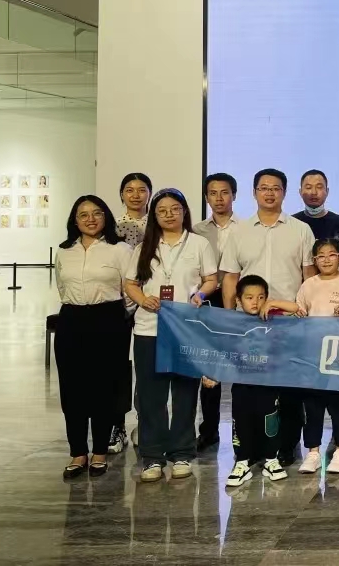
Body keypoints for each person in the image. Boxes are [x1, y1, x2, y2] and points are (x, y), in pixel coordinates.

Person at [220, 168, 316, 466]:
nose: (270, 193)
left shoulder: (301, 230)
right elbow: (230, 277)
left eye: (276, 188)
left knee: (289, 389)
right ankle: (249, 447)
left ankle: (286, 446)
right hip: (249, 324)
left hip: (288, 322)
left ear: (284, 192)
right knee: (249, 389)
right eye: (264, 188)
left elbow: (309, 277)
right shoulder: (239, 231)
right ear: (254, 193)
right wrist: (230, 318)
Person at [124, 189, 218, 483]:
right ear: (154, 215)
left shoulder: (199, 244)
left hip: (185, 329)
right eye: (162, 210)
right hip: (149, 329)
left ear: (184, 211)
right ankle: (152, 457)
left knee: (185, 393)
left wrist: (200, 295)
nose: (168, 214)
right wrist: (142, 300)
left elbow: (211, 279)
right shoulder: (144, 247)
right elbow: (130, 283)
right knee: (150, 396)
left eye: (174, 209)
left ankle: (182, 453)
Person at [264, 238, 339, 475]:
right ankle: (313, 452)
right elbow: (299, 310)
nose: (326, 260)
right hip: (312, 356)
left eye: (331, 255)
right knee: (312, 405)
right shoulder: (308, 284)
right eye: (320, 256)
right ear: (314, 260)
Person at [54, 196, 133, 480]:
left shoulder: (120, 249)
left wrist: (118, 318)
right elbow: (61, 286)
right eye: (83, 214)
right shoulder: (64, 251)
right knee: (72, 389)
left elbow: (130, 289)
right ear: (75, 221)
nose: (90, 219)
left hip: (108, 320)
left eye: (96, 213)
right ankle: (78, 452)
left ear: (106, 217)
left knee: (104, 388)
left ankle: (99, 452)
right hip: (71, 320)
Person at [226, 275, 288, 487]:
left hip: (268, 383)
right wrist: (211, 374)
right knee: (242, 421)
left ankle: (271, 459)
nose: (255, 302)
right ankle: (242, 462)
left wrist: (273, 304)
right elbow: (218, 350)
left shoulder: (272, 318)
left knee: (270, 421)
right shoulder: (232, 323)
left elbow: (297, 308)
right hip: (242, 385)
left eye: (261, 297)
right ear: (238, 300)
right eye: (249, 297)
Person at [191, 172, 239, 451]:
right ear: (206, 197)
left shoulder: (246, 228)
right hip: (206, 299)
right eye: (213, 193)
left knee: (243, 364)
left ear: (234, 195)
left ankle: (243, 430)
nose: (219, 198)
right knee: (209, 368)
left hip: (238, 300)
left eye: (224, 192)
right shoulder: (196, 231)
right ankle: (209, 430)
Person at [110, 171, 152, 454]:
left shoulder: (158, 224)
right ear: (122, 194)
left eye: (142, 189)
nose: (136, 195)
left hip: (151, 304)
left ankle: (143, 423)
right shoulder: (112, 228)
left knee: (147, 368)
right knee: (118, 366)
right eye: (130, 190)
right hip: (120, 305)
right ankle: (118, 425)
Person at [292, 169, 339, 242]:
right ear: (300, 192)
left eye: (319, 187)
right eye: (308, 187)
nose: (314, 192)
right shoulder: (292, 223)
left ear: (327, 191)